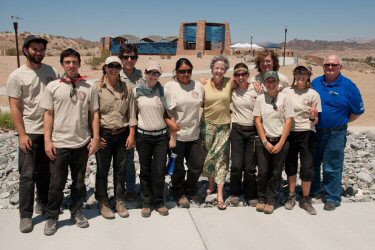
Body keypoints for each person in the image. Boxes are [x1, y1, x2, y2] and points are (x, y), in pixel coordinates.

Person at [40, 48, 100, 235]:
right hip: (59, 143)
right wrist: (47, 141)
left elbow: (94, 114)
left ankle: (76, 211)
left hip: (81, 143)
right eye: (67, 62)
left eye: (74, 62)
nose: (71, 65)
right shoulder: (53, 86)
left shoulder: (89, 86)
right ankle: (52, 217)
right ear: (62, 64)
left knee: (79, 182)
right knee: (56, 184)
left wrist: (95, 137)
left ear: (80, 63)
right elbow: (48, 115)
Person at [5, 34, 59, 233]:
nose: (39, 52)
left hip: (49, 131)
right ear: (26, 50)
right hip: (30, 131)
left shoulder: (50, 70)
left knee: (46, 172)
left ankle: (43, 203)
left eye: (42, 49)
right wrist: (21, 134)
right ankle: (25, 216)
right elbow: (15, 106)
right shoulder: (17, 76)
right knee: (27, 175)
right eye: (35, 49)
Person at [311, 55, 364, 211]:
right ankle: (314, 190)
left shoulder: (348, 86)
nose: (330, 67)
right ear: (323, 66)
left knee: (332, 165)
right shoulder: (316, 83)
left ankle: (332, 197)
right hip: (315, 131)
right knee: (313, 163)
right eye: (327, 64)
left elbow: (357, 111)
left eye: (334, 65)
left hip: (336, 133)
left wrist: (340, 122)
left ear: (340, 67)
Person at [95, 56, 137, 219]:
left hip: (122, 134)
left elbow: (132, 113)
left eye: (117, 67)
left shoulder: (126, 88)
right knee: (102, 170)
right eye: (110, 66)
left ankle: (119, 200)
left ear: (120, 69)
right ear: (105, 67)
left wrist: (132, 134)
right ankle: (103, 202)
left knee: (120, 170)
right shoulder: (97, 88)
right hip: (104, 134)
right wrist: (96, 137)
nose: (114, 69)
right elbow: (94, 115)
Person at [164, 58, 205, 208]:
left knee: (197, 165)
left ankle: (190, 190)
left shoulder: (198, 86)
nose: (185, 74)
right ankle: (179, 193)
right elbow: (165, 111)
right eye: (182, 71)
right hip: (177, 136)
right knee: (177, 167)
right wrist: (171, 126)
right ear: (176, 72)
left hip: (194, 135)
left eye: (188, 71)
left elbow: (208, 102)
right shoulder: (170, 87)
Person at [134, 61, 173, 217]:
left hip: (161, 137)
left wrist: (174, 135)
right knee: (145, 170)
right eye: (151, 72)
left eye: (156, 73)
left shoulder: (162, 92)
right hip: (143, 136)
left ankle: (159, 201)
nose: (153, 76)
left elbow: (169, 114)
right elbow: (133, 114)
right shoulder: (137, 91)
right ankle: (146, 201)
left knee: (158, 170)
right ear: (145, 72)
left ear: (160, 75)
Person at [283, 63, 321, 215]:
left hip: (307, 132)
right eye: (298, 73)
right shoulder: (287, 92)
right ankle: (291, 196)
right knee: (291, 164)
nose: (300, 76)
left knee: (307, 166)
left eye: (303, 74)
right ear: (294, 76)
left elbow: (316, 120)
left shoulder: (313, 94)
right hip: (290, 132)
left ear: (308, 77)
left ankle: (306, 199)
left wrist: (313, 116)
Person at [253, 71, 294, 214]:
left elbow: (289, 121)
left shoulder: (285, 99)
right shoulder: (260, 99)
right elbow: (258, 121)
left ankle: (271, 200)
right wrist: (265, 141)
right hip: (264, 141)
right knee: (263, 171)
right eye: (268, 82)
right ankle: (261, 198)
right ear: (264, 84)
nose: (271, 84)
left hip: (280, 140)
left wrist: (281, 143)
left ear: (278, 83)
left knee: (276, 172)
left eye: (274, 81)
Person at [200, 55, 236, 210]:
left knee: (221, 158)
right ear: (212, 69)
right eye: (217, 68)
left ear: (226, 70)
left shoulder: (230, 82)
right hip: (207, 125)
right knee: (209, 155)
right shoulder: (204, 84)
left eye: (222, 68)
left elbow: (245, 84)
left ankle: (220, 194)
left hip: (224, 126)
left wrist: (256, 84)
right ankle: (210, 183)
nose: (219, 71)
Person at [229, 63, 259, 207]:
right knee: (236, 164)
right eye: (237, 74)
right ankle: (235, 192)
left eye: (243, 74)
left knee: (250, 167)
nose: (241, 77)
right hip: (237, 130)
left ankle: (251, 194)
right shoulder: (232, 90)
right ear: (234, 77)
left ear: (248, 75)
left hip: (253, 131)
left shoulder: (257, 89)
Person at [119, 44, 143, 202]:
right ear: (121, 58)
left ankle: (148, 187)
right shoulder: (116, 73)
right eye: (126, 57)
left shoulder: (141, 75)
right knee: (127, 158)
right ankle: (129, 188)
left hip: (141, 121)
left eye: (132, 57)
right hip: (123, 123)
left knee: (144, 156)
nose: (129, 60)